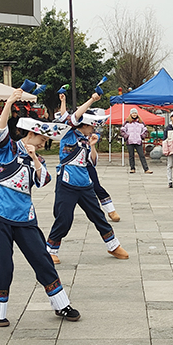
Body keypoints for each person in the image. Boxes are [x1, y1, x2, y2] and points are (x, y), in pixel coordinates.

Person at [0, 89, 80, 326]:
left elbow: (43, 180)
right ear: (31, 133)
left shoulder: (39, 159)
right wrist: (9, 103)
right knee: (2, 264)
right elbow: (0, 130)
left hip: (24, 217)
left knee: (42, 259)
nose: (45, 142)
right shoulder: (9, 149)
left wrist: (35, 158)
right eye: (42, 138)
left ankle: (61, 304)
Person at [46, 92, 129, 263]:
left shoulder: (85, 139)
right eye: (92, 125)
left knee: (98, 215)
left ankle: (113, 245)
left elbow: (93, 162)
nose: (94, 129)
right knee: (64, 218)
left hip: (85, 183)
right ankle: (51, 250)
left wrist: (92, 147)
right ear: (84, 124)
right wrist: (92, 100)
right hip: (67, 183)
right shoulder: (69, 133)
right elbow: (74, 117)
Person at [121, 109, 152, 174]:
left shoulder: (141, 123)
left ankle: (146, 169)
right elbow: (122, 131)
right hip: (130, 141)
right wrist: (127, 136)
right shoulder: (127, 122)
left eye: (135, 113)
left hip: (138, 141)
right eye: (133, 113)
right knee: (131, 155)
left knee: (142, 155)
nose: (134, 114)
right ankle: (132, 168)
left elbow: (145, 130)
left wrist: (142, 136)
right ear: (131, 114)